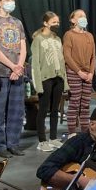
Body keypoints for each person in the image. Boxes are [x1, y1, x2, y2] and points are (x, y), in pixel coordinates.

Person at [0, 0, 27, 158]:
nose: (12, 2)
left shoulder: (17, 22)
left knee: (16, 111)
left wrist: (19, 67)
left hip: (17, 72)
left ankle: (13, 143)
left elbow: (23, 46)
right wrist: (12, 66)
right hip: (1, 72)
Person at [31, 11, 67, 153]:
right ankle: (42, 140)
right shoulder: (38, 40)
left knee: (55, 110)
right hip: (45, 78)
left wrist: (65, 81)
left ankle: (53, 137)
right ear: (45, 23)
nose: (56, 24)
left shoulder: (57, 39)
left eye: (58, 22)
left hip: (58, 78)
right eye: (54, 22)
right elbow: (35, 64)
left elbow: (62, 60)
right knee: (43, 109)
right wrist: (38, 85)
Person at [62, 9, 95, 134]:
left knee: (86, 104)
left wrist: (91, 73)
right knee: (75, 103)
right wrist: (78, 71)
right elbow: (67, 56)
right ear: (73, 20)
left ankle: (85, 132)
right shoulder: (69, 35)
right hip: (74, 72)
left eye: (85, 16)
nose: (83, 18)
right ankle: (72, 133)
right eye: (80, 16)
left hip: (88, 74)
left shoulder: (89, 35)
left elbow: (93, 56)